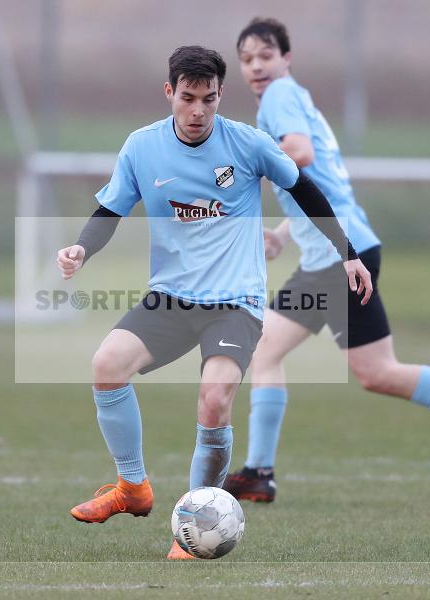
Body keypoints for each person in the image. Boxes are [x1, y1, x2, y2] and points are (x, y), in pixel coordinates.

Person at [55, 45, 372, 559]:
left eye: (209, 99)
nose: (198, 111)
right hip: (172, 299)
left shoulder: (248, 144)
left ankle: (196, 519)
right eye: (188, 98)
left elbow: (307, 190)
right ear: (169, 93)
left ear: (221, 95)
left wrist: (348, 254)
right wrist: (80, 249)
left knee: (214, 400)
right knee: (106, 364)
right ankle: (132, 489)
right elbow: (109, 210)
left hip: (235, 301)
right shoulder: (141, 147)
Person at [223, 18, 430, 504]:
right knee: (377, 371)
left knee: (265, 351)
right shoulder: (294, 99)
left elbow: (297, 155)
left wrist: (241, 161)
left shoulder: (280, 97)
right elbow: (322, 180)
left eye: (265, 55)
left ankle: (259, 471)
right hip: (346, 247)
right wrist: (283, 234)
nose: (257, 66)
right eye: (247, 59)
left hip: (336, 255)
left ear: (286, 59)